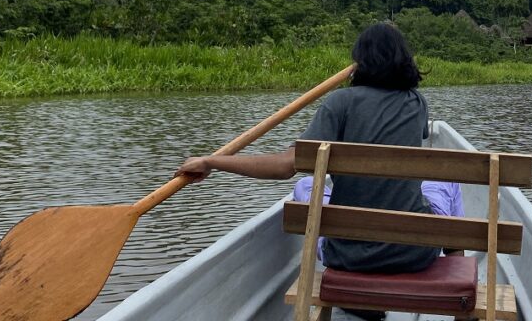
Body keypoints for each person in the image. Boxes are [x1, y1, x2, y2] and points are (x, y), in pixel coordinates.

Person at [176, 23, 462, 319]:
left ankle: (360, 308)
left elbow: (286, 167)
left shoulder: (339, 103)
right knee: (447, 182)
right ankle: (458, 280)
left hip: (348, 257)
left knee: (305, 186)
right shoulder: (416, 103)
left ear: (360, 61)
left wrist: (212, 161)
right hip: (414, 254)